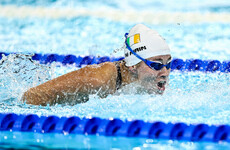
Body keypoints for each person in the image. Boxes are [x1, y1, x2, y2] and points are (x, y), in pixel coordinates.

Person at [22, 24, 172, 106]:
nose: (165, 72)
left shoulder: (145, 81)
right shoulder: (97, 80)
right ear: (133, 65)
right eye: (156, 65)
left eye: (168, 63)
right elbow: (30, 97)